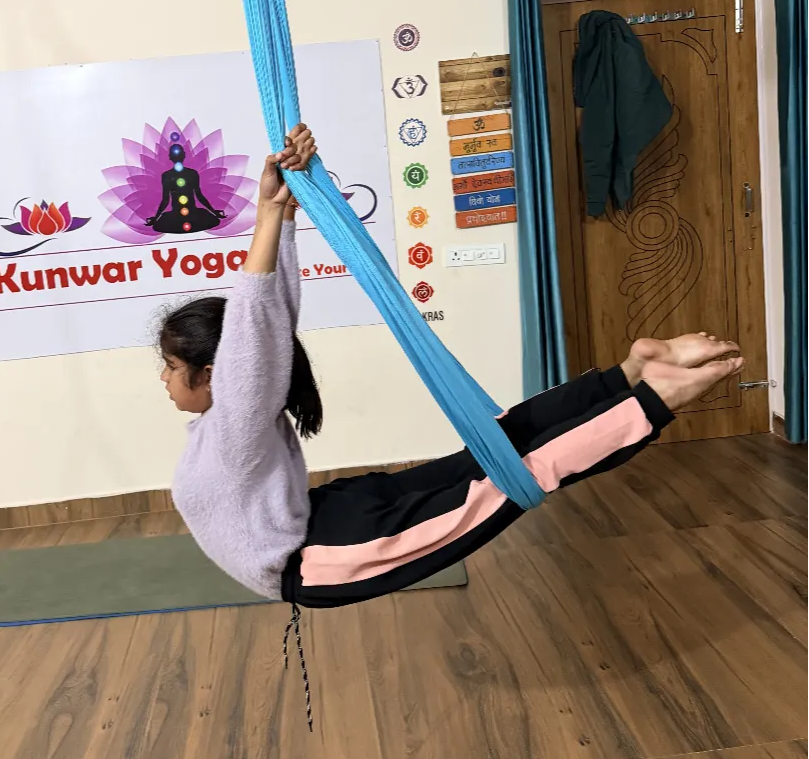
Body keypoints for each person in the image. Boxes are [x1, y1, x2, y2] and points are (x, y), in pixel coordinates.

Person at [159, 124, 744, 612]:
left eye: (169, 366)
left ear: (211, 372)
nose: (162, 379)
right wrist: (278, 214)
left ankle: (652, 394)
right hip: (329, 514)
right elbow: (264, 330)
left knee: (521, 472)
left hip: (332, 553)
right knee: (495, 450)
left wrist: (273, 213)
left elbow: (257, 331)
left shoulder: (235, 420)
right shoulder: (228, 423)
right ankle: (628, 373)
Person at [146, 140, 225, 236]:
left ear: (183, 155)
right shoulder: (167, 176)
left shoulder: (192, 173)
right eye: (175, 154)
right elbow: (165, 200)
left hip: (193, 214)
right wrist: (156, 217)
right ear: (170, 157)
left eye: (179, 153)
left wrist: (213, 212)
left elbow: (199, 195)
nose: (177, 155)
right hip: (177, 215)